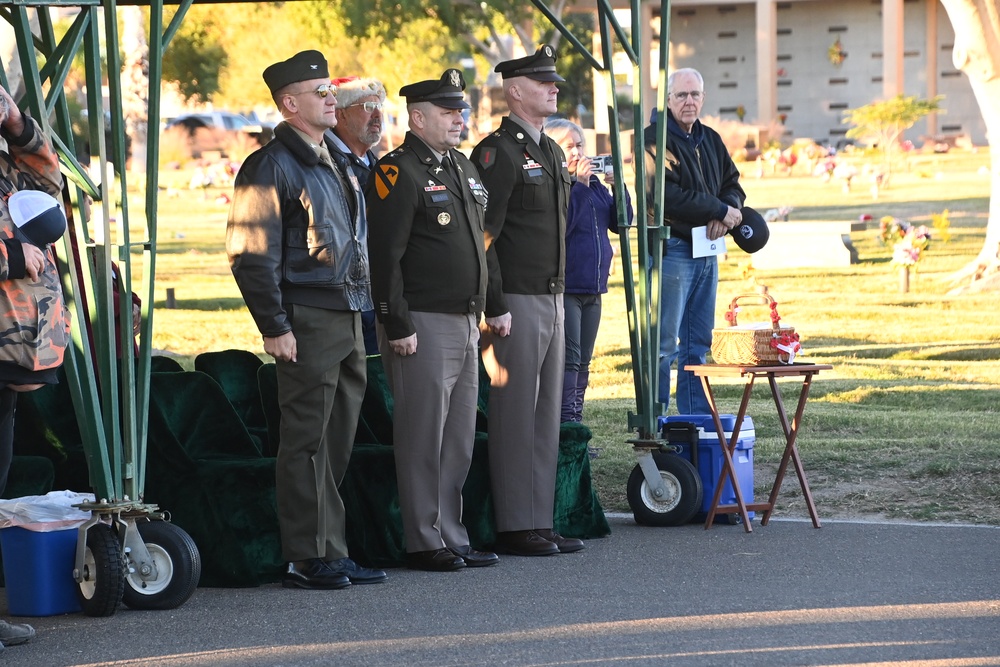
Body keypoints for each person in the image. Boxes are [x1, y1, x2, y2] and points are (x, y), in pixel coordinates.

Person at [226, 50, 386, 590]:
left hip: (346, 312)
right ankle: (306, 554)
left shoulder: (331, 159)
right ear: (290, 104)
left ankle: (330, 548)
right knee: (307, 440)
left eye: (330, 90)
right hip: (308, 315)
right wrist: (275, 325)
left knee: (336, 439)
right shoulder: (271, 164)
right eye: (320, 92)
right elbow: (251, 252)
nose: (330, 98)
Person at [365, 69, 497, 572]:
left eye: (460, 111)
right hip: (422, 321)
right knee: (423, 435)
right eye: (448, 112)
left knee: (458, 437)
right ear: (418, 118)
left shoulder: (461, 166)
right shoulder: (397, 172)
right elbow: (385, 256)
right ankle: (423, 539)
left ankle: (452, 534)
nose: (459, 119)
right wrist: (396, 322)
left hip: (464, 319)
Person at [470, 45, 584, 557]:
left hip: (552, 295)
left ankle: (540, 518)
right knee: (515, 413)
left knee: (545, 415)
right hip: (514, 299)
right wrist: (494, 303)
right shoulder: (497, 153)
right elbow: (484, 237)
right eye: (543, 82)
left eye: (553, 81)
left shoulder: (552, 152)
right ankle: (516, 524)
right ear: (515, 91)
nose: (554, 88)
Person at [643, 67, 768, 415]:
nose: (689, 101)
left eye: (695, 94)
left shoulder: (709, 138)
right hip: (673, 251)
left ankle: (694, 421)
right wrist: (717, 209)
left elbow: (733, 184)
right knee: (664, 345)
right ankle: (654, 423)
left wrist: (726, 211)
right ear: (668, 99)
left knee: (697, 343)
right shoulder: (653, 140)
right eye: (681, 95)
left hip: (707, 251)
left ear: (703, 98)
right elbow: (664, 195)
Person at [0, 82, 71, 652]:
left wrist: (18, 125)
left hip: (13, 351)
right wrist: (8, 256)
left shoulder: (6, 159)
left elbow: (51, 186)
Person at [541, 118, 630, 426]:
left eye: (580, 145)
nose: (577, 153)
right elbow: (564, 227)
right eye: (569, 147)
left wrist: (618, 187)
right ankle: (566, 426)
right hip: (568, 287)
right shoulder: (555, 185)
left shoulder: (593, 186)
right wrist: (578, 185)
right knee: (570, 359)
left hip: (594, 287)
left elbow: (620, 222)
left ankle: (575, 421)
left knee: (584, 361)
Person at [329, 76, 387, 355]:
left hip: (378, 293)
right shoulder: (326, 161)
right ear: (340, 114)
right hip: (342, 299)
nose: (377, 116)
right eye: (366, 107)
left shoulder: (376, 163)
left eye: (379, 107)